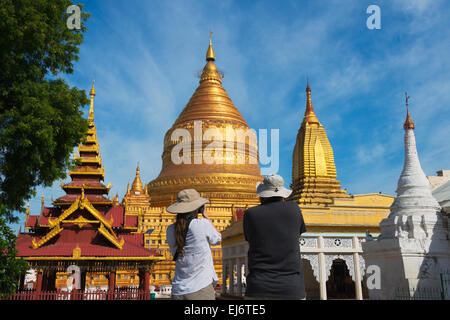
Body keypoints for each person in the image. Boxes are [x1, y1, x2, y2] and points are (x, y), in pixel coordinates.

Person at [243, 174, 307, 300]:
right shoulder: (294, 209)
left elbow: (250, 239)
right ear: (283, 194)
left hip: (259, 287)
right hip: (291, 288)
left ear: (262, 194)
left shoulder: (250, 214)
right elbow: (297, 233)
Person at [166, 189, 221, 300]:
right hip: (200, 289)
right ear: (198, 208)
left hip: (178, 290)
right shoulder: (202, 224)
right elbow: (218, 239)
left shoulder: (170, 229)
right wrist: (206, 217)